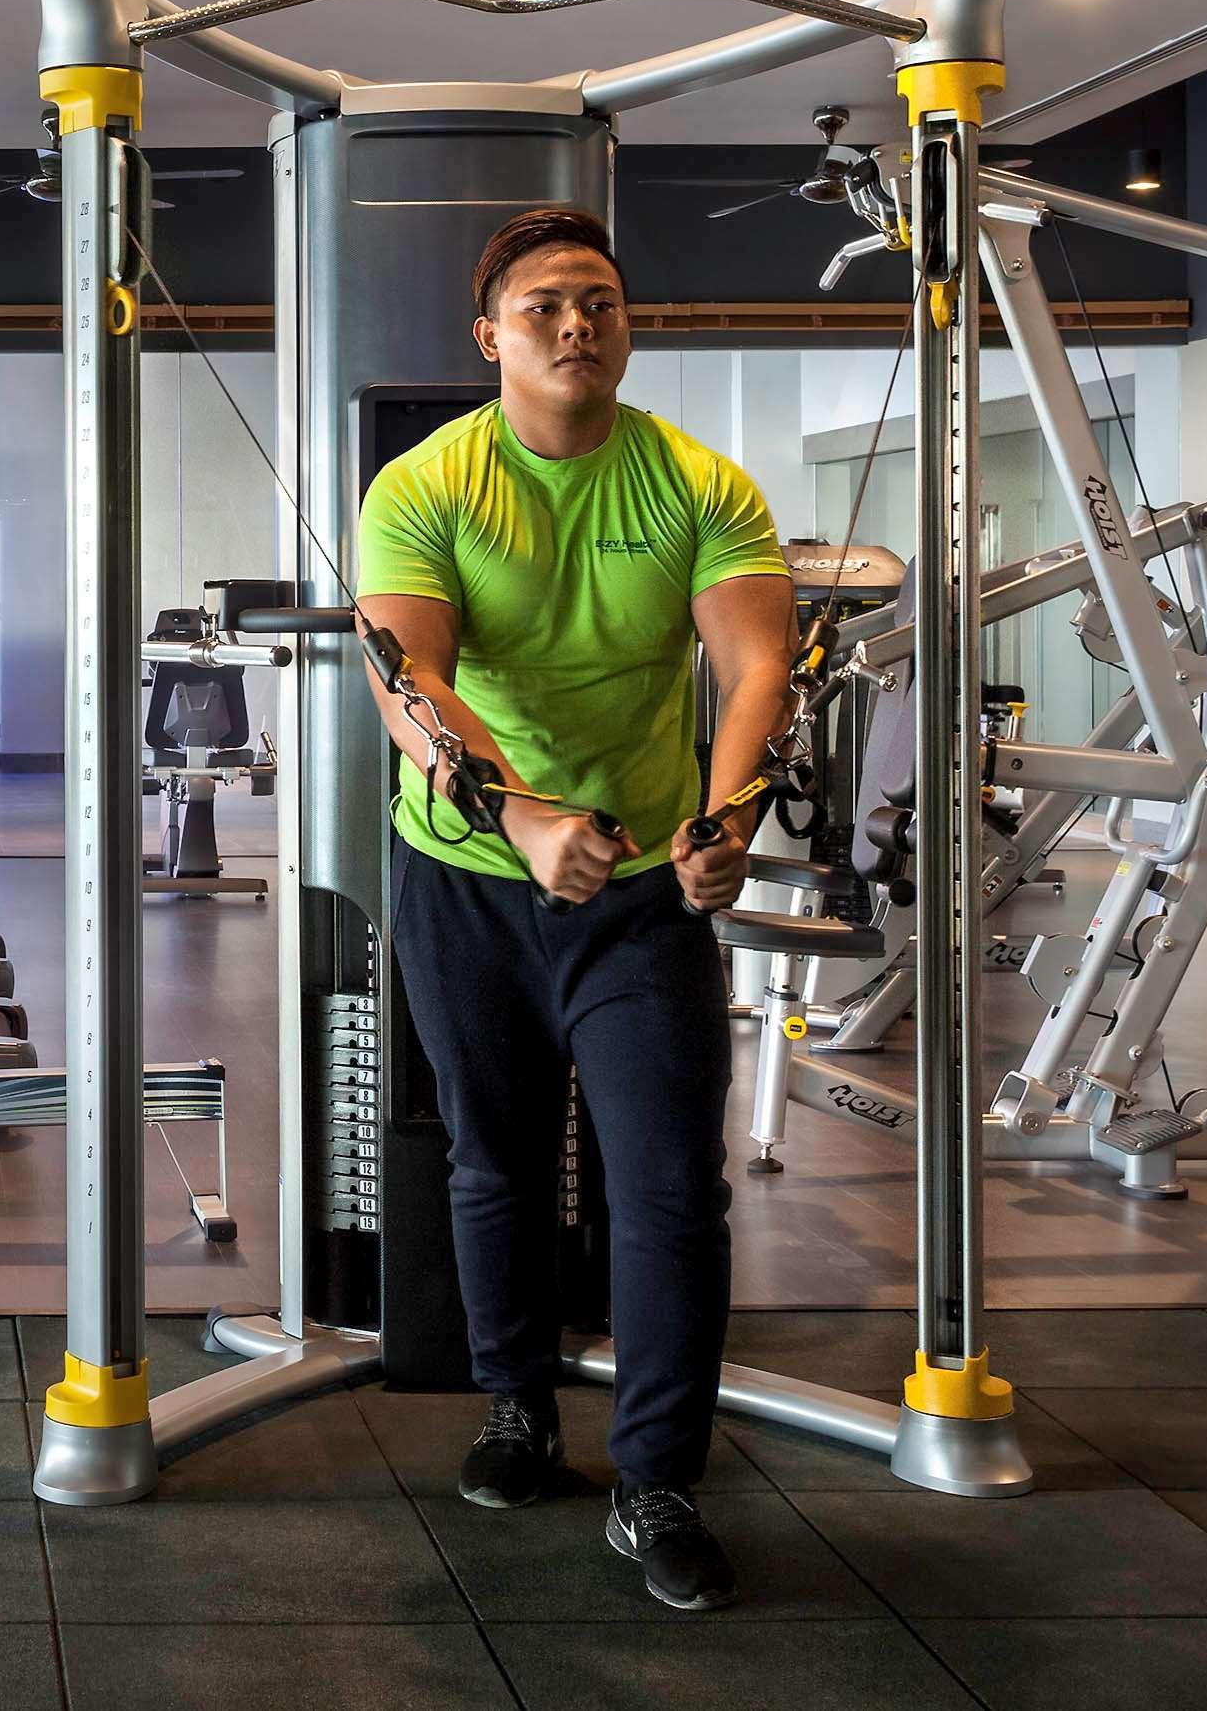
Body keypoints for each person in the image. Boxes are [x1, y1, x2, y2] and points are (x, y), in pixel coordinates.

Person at [353, 206, 793, 1613]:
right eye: (545, 305)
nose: (576, 323)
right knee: (495, 1160)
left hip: (645, 887)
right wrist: (521, 813)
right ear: (491, 338)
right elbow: (409, 680)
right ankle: (516, 1408)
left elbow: (758, 664)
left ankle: (656, 1472)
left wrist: (727, 820)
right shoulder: (423, 484)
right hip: (471, 876)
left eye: (598, 299)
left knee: (667, 1183)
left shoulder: (700, 483)